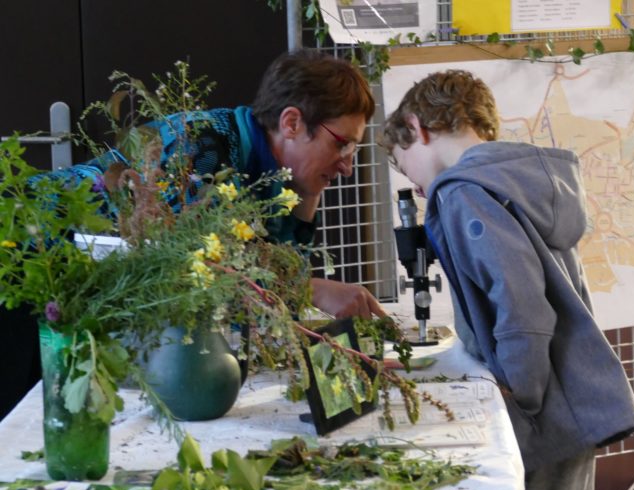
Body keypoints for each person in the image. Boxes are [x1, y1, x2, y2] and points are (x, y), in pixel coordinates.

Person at [381, 69, 634, 490]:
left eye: (402, 162)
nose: (412, 183)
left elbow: (522, 306)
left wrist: (521, 393)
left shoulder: (465, 193)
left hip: (540, 410)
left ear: (416, 128)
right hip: (569, 406)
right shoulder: (516, 181)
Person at [50, 49, 387, 319]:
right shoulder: (203, 146)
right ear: (292, 123)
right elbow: (197, 276)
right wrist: (310, 289)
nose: (348, 166)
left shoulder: (264, 171)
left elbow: (279, 269)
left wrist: (309, 190)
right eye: (342, 143)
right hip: (31, 253)